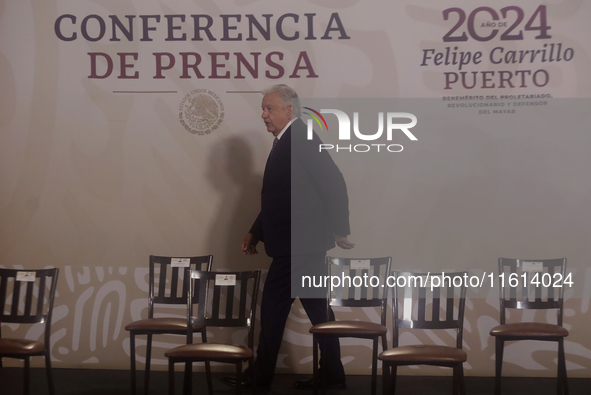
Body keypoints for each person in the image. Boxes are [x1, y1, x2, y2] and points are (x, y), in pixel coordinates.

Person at [224, 84, 354, 391]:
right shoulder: (287, 141)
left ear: (289, 110)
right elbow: (279, 197)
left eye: (269, 109)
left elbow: (333, 182)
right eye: (263, 109)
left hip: (299, 247)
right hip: (298, 246)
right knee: (319, 313)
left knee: (272, 311)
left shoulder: (302, 138)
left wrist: (340, 228)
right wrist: (256, 230)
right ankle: (333, 374)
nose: (264, 115)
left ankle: (260, 378)